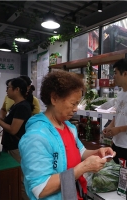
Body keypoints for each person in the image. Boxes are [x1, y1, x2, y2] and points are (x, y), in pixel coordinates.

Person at [19, 70, 115, 200]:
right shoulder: (36, 137)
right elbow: (40, 188)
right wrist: (83, 168)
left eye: (78, 103)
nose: (76, 109)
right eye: (73, 103)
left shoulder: (68, 127)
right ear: (54, 98)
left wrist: (98, 152)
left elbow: (80, 152)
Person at [0, 77, 33, 200]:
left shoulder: (23, 107)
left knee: (19, 180)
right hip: (10, 146)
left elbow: (13, 129)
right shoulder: (16, 105)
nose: (7, 90)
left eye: (8, 87)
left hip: (16, 148)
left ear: (17, 89)